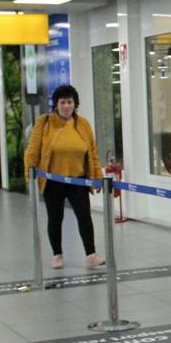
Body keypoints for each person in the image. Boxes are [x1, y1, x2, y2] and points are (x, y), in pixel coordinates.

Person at [24, 84, 105, 270]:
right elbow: (32, 152)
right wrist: (30, 176)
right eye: (63, 102)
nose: (66, 106)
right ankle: (57, 254)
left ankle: (91, 254)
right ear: (56, 105)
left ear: (75, 104)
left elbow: (93, 152)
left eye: (70, 102)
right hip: (53, 181)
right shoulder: (44, 123)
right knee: (55, 218)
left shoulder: (83, 124)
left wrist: (97, 176)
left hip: (78, 181)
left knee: (85, 217)